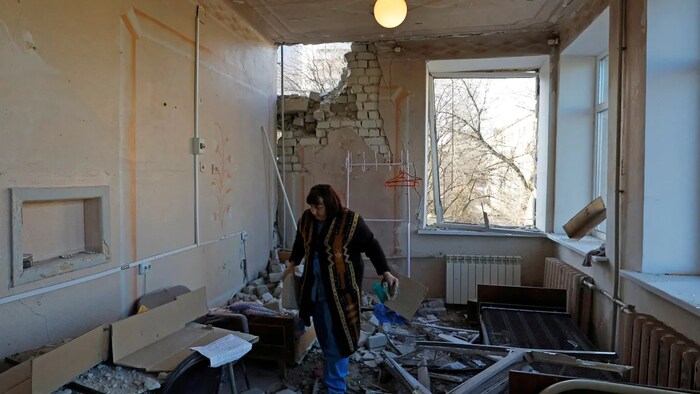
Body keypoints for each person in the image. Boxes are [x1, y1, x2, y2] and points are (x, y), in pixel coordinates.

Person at [282, 184, 399, 393]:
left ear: (329, 203)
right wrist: (292, 263)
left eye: (318, 207)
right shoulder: (307, 220)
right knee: (324, 334)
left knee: (339, 337)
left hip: (340, 293)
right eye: (311, 207)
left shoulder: (350, 221)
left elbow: (371, 244)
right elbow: (301, 242)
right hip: (314, 289)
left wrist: (386, 272)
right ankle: (329, 370)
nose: (313, 211)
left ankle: (335, 386)